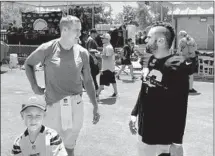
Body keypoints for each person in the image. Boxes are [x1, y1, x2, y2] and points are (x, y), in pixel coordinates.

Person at [24, 15, 100, 156]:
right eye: (76, 30)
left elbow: (88, 81)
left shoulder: (83, 52)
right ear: (64, 30)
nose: (80, 33)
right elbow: (28, 64)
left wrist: (95, 105)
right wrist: (34, 86)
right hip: (53, 107)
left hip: (76, 106)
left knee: (69, 148)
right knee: (49, 147)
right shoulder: (47, 48)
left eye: (80, 30)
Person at [129, 21, 193, 156]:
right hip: (144, 132)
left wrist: (177, 142)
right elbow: (145, 89)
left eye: (149, 37)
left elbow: (181, 106)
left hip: (163, 139)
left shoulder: (177, 66)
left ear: (161, 41)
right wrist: (134, 113)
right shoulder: (152, 60)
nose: (146, 39)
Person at [96, 33, 118, 98]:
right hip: (109, 67)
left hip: (107, 68)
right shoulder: (107, 46)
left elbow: (107, 57)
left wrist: (99, 55)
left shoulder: (108, 47)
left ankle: (96, 95)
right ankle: (116, 93)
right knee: (112, 81)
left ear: (107, 39)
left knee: (102, 83)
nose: (101, 39)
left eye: (103, 38)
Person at [85, 29, 100, 93]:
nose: (96, 35)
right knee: (93, 73)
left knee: (93, 74)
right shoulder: (91, 40)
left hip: (90, 59)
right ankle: (96, 88)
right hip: (91, 60)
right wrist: (94, 58)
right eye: (96, 33)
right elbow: (89, 50)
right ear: (93, 33)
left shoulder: (90, 40)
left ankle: (94, 88)